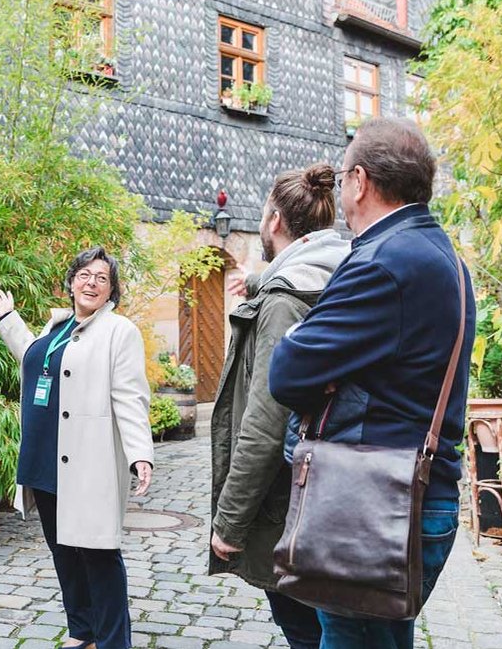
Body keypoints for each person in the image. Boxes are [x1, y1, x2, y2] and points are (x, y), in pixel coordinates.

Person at [268, 117, 476, 649]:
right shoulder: (444, 257)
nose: (340, 191)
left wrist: (300, 341)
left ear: (359, 181)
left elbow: (286, 372)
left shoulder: (384, 261)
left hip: (372, 505)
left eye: (342, 179)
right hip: (409, 494)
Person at [208, 164, 349, 649]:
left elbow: (265, 423)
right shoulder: (343, 274)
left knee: (303, 629)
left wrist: (229, 523)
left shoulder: (284, 301)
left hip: (290, 505)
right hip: (335, 491)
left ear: (273, 221)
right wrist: (258, 282)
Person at [0, 247, 154, 649]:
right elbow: (35, 360)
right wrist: (8, 320)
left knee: (98, 554)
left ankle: (113, 641)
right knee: (63, 551)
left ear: (111, 289)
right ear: (72, 282)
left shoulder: (118, 332)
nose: (91, 283)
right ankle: (83, 633)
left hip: (87, 461)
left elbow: (131, 397)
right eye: (84, 275)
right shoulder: (57, 326)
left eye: (101, 277)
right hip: (44, 457)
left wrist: (140, 453)